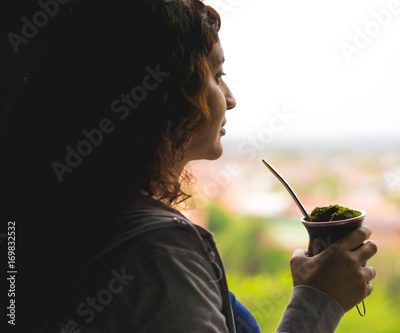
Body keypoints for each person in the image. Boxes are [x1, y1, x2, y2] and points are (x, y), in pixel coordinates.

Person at [0, 0, 377, 332]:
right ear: (166, 93)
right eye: (216, 75)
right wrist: (317, 303)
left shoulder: (56, 215)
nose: (230, 100)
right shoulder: (157, 250)